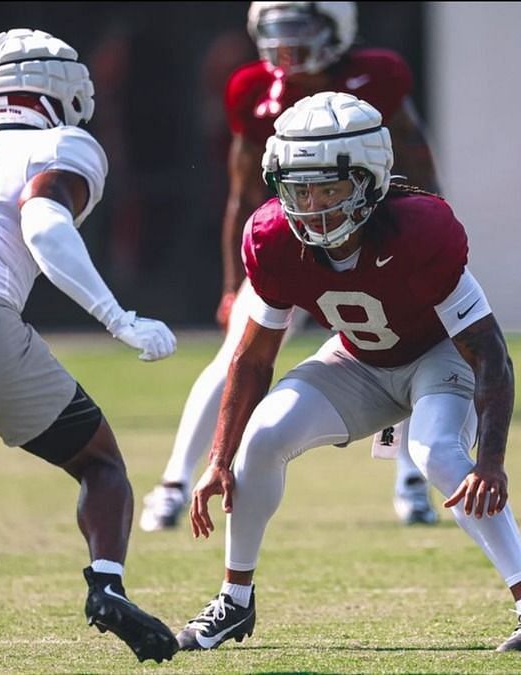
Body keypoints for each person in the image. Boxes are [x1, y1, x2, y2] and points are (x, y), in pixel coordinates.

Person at [176, 90, 521, 652]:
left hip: (437, 359)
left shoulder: (421, 231)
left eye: (329, 188)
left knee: (435, 451)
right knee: (259, 440)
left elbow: (488, 351)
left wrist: (493, 460)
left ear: (370, 182)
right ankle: (234, 602)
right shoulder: (273, 239)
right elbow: (254, 355)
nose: (311, 205)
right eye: (299, 188)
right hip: (357, 360)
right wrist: (218, 459)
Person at [0, 29, 179, 663]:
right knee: (101, 466)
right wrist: (116, 318)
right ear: (58, 89)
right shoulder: (60, 143)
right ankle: (107, 584)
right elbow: (42, 221)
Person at [140, 0, 444, 533]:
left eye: (301, 29)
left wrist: (427, 236)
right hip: (295, 244)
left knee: (410, 347)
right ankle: (172, 484)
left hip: (370, 239)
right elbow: (241, 191)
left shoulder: (378, 75)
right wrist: (234, 284)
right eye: (276, 32)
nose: (287, 46)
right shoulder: (253, 88)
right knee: (235, 358)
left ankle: (411, 482)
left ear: (336, 27)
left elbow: (416, 162)